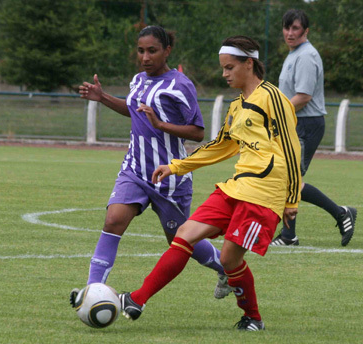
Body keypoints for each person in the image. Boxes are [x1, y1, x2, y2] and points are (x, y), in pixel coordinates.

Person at [119, 35, 302, 331]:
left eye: (230, 68)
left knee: (229, 260)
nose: (224, 74)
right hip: (236, 187)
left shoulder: (272, 98)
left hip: (263, 194)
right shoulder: (237, 107)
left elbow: (292, 148)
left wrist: (291, 199)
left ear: (249, 64)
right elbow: (219, 146)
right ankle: (137, 299)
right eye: (223, 68)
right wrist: (176, 166)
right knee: (185, 233)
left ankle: (253, 318)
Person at [69, 26, 231, 307]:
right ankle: (92, 291)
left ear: (167, 51)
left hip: (170, 177)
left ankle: (226, 269)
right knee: (113, 221)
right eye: (141, 50)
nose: (145, 57)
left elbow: (197, 132)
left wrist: (160, 124)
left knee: (179, 240)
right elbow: (133, 110)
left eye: (152, 50)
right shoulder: (138, 80)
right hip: (134, 170)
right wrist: (103, 97)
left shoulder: (180, 85)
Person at [271, 9, 357, 247]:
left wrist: (273, 113)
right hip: (296, 123)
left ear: (305, 31)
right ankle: (290, 235)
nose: (290, 33)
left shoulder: (306, 56)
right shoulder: (295, 54)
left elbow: (304, 96)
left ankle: (340, 214)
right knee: (288, 180)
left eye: (295, 28)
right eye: (287, 28)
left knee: (291, 181)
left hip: (306, 124)